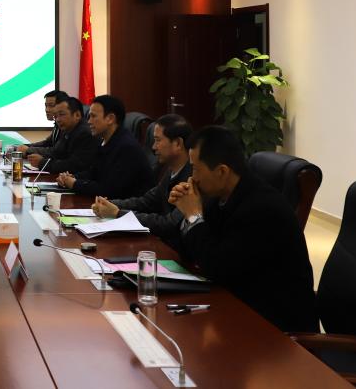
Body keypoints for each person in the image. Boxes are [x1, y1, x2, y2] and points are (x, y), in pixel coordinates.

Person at [168, 125, 318, 332]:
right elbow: (188, 250)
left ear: (222, 171)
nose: (192, 178)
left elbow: (217, 267)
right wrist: (187, 212)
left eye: (195, 169)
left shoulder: (262, 209)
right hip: (238, 303)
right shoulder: (220, 195)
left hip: (275, 327)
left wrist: (193, 216)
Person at [91, 114, 192, 243]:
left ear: (178, 143)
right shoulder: (171, 171)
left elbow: (168, 224)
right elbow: (146, 201)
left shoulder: (191, 179)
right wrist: (110, 204)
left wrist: (118, 213)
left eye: (158, 140)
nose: (153, 147)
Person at [57, 94, 152, 198]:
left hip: (125, 206)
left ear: (110, 118)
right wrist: (71, 177)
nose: (89, 121)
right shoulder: (106, 141)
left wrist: (74, 183)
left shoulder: (126, 147)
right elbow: (94, 173)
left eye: (93, 116)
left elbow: (108, 190)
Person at [24, 97, 96, 175]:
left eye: (61, 114)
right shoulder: (67, 130)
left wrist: (42, 163)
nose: (58, 120)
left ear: (77, 115)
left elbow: (73, 166)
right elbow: (56, 152)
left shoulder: (85, 133)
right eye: (55, 116)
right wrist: (30, 153)